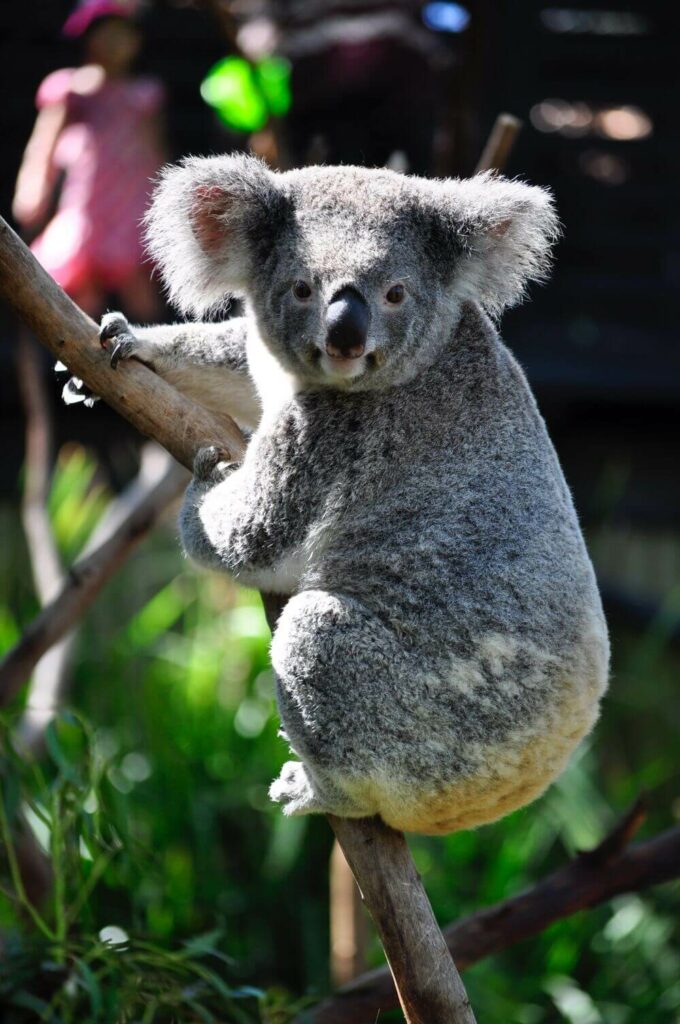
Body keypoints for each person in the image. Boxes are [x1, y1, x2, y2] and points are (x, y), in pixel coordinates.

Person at [12, 0, 166, 319]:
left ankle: (152, 356)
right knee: (82, 282)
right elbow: (44, 143)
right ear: (89, 38)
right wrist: (33, 186)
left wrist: (164, 199)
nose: (115, 43)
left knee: (138, 283)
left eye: (123, 35)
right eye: (106, 34)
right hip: (87, 200)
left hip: (131, 201)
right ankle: (79, 360)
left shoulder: (144, 94)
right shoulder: (71, 88)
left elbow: (155, 150)